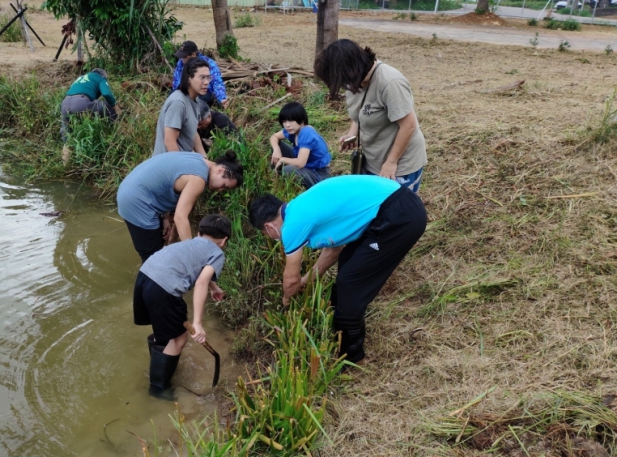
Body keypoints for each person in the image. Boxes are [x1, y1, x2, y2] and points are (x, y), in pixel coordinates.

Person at [247, 175, 427, 364]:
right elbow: (333, 251)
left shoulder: (292, 225)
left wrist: (285, 301)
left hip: (399, 216)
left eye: (265, 234)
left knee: (350, 283)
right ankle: (338, 323)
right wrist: (308, 279)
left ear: (268, 227)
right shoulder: (299, 207)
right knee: (348, 261)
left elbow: (290, 279)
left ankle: (352, 356)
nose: (270, 237)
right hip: (395, 207)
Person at [133, 214, 231, 398]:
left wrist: (214, 288)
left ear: (200, 232)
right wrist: (198, 323)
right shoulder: (217, 253)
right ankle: (158, 388)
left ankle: (159, 366)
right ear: (224, 240)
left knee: (164, 329)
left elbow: (198, 269)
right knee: (180, 338)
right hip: (164, 288)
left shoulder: (190, 243)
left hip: (145, 276)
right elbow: (201, 281)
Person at [314, 39, 427, 193]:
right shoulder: (354, 81)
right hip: (371, 160)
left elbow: (409, 125)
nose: (342, 86)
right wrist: (352, 134)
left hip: (399, 165)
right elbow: (360, 112)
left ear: (350, 69)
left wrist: (391, 163)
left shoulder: (390, 82)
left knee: (395, 213)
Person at [117, 151, 243, 263]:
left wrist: (165, 219)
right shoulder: (198, 179)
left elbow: (165, 183)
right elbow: (180, 217)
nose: (220, 190)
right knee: (153, 261)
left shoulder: (198, 160)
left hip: (132, 190)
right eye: (224, 186)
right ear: (220, 170)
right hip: (136, 201)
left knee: (160, 248)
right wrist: (193, 255)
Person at [268, 102, 331, 189]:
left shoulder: (307, 132)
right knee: (278, 145)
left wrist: (282, 159)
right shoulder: (292, 129)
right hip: (305, 164)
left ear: (301, 120)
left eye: (291, 120)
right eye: (284, 121)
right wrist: (276, 149)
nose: (287, 125)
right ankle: (276, 177)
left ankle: (285, 183)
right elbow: (274, 137)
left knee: (288, 170)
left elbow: (301, 163)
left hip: (318, 174)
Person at [154, 58, 209, 156]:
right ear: (188, 78)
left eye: (208, 77)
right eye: (202, 77)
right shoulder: (178, 102)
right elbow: (169, 142)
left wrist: (204, 159)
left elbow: (192, 131)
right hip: (168, 165)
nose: (206, 82)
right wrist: (183, 168)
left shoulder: (194, 99)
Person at [60, 68, 117, 162]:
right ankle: (115, 133)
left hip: (65, 104)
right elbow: (106, 94)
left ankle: (65, 164)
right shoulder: (100, 78)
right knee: (107, 105)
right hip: (81, 102)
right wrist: (115, 105)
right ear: (104, 76)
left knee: (67, 137)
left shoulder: (81, 78)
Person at [172, 40, 229, 108]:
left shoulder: (209, 64)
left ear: (193, 55)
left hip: (202, 93)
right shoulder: (181, 63)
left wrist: (222, 98)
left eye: (184, 56)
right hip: (185, 92)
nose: (182, 59)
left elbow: (217, 83)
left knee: (204, 99)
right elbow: (176, 82)